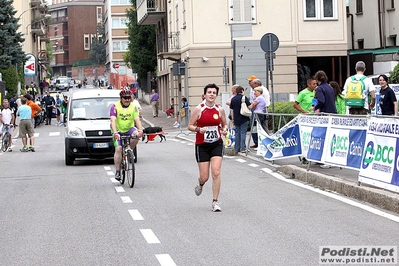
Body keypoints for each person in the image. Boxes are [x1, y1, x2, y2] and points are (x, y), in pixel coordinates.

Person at [188, 83, 228, 212]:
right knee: (205, 176)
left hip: (216, 143)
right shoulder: (199, 109)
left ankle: (215, 202)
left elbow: (224, 124)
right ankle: (200, 184)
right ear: (204, 94)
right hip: (202, 145)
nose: (211, 94)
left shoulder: (219, 110)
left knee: (216, 172)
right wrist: (198, 129)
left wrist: (225, 130)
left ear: (216, 95)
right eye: (209, 92)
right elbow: (190, 126)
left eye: (214, 93)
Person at [110, 89, 143, 181]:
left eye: (129, 97)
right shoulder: (115, 106)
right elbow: (113, 120)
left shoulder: (134, 107)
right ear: (121, 98)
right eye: (125, 98)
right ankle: (117, 171)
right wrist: (115, 133)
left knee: (137, 135)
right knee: (118, 148)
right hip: (118, 130)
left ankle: (129, 150)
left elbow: (137, 119)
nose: (127, 100)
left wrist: (140, 131)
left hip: (129, 129)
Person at [229, 85, 251, 155]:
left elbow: (231, 110)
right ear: (242, 91)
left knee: (237, 133)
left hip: (236, 118)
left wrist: (233, 119)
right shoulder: (244, 98)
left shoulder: (233, 99)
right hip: (244, 117)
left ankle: (236, 148)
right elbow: (249, 106)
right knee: (243, 133)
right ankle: (243, 148)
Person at [249, 79, 270, 148]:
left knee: (259, 128)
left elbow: (252, 105)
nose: (254, 93)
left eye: (255, 91)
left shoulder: (259, 97)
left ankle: (262, 143)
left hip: (259, 113)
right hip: (261, 112)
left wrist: (251, 106)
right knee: (261, 127)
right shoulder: (260, 96)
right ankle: (262, 143)